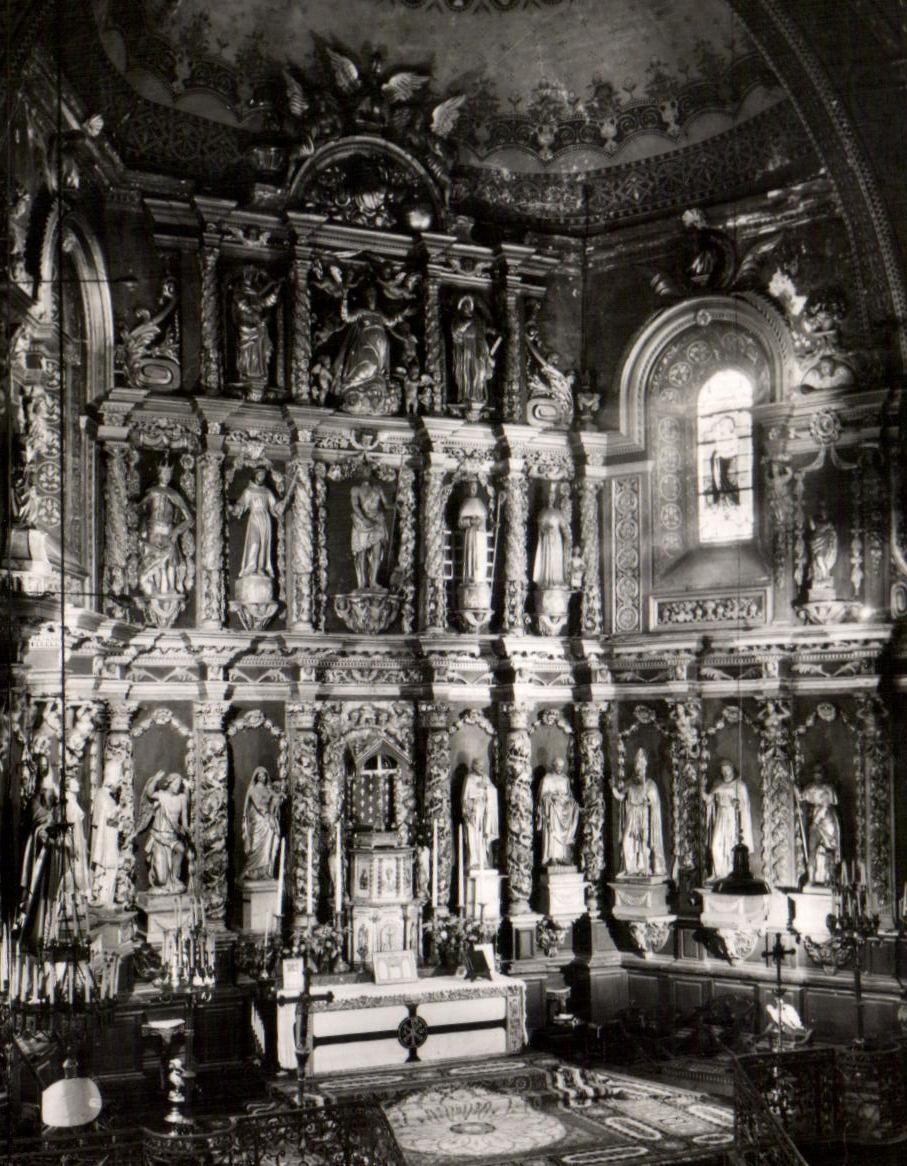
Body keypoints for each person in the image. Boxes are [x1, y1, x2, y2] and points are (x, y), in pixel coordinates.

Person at [332, 282, 411, 403]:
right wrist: (344, 298)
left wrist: (403, 312)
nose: (371, 297)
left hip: (381, 348)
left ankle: (371, 388)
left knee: (377, 370)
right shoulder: (361, 311)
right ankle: (350, 384)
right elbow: (346, 317)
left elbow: (390, 321)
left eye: (373, 294)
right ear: (365, 297)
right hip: (366, 344)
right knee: (369, 363)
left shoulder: (379, 313)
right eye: (369, 294)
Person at [138, 461, 193, 596]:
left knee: (171, 561)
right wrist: (142, 528)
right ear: (159, 473)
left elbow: (190, 519)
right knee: (154, 561)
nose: (167, 475)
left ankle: (170, 590)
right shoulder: (152, 492)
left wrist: (177, 531)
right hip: (152, 532)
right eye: (164, 472)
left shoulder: (174, 494)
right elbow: (138, 509)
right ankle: (152, 588)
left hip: (168, 533)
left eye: (169, 473)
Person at [611, 748, 666, 878]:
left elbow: (655, 805)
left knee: (642, 843)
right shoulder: (630, 783)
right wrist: (613, 787)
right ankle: (630, 869)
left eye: (640, 767)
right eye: (636, 767)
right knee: (626, 841)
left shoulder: (650, 785)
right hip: (631, 816)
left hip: (644, 817)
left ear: (645, 767)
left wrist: (648, 803)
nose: (638, 770)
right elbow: (620, 796)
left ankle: (643, 868)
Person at [232, 467, 290, 579]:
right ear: (255, 476)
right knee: (254, 543)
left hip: (265, 518)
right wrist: (235, 508)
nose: (261, 477)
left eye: (263, 475)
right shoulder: (249, 491)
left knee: (264, 544)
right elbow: (241, 504)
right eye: (259, 475)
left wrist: (281, 505)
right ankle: (251, 568)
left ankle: (261, 568)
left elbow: (275, 507)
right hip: (254, 517)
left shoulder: (267, 491)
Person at [139, 772, 191, 894]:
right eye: (175, 783)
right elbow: (149, 793)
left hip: (172, 837)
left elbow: (184, 820)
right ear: (169, 783)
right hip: (159, 838)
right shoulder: (161, 796)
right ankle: (161, 880)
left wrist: (187, 829)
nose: (177, 786)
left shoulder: (182, 798)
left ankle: (174, 878)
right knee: (162, 880)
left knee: (181, 849)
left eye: (179, 784)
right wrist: (155, 780)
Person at [703, 760, 754, 882]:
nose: (725, 773)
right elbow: (708, 800)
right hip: (721, 816)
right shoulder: (718, 785)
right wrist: (701, 787)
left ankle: (731, 873)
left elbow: (745, 805)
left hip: (732, 818)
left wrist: (737, 804)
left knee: (731, 845)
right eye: (723, 771)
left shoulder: (739, 785)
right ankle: (718, 873)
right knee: (715, 845)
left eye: (727, 770)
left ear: (732, 770)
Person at [232, 267, 281, 385]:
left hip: (258, 327)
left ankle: (259, 373)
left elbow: (266, 302)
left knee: (260, 350)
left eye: (252, 278)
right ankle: (246, 372)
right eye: (249, 277)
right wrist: (254, 314)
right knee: (247, 350)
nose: (251, 280)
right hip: (247, 326)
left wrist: (275, 292)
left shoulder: (256, 295)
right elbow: (242, 305)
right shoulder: (240, 293)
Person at [795, 766, 842, 886]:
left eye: (820, 773)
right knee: (812, 850)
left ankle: (831, 879)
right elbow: (800, 797)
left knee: (830, 850)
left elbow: (826, 806)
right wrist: (793, 784)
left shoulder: (828, 788)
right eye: (815, 773)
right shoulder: (810, 788)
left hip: (827, 821)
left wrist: (816, 821)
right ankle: (811, 879)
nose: (817, 776)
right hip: (815, 820)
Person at [451, 294, 496, 405]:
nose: (466, 307)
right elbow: (455, 332)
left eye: (468, 305)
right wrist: (465, 324)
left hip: (478, 348)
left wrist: (493, 331)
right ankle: (466, 395)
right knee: (466, 372)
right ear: (461, 307)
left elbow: (484, 330)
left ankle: (478, 394)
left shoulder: (477, 320)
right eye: (464, 305)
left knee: (480, 371)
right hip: (465, 348)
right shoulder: (458, 319)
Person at [350, 468, 391, 590]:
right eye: (363, 471)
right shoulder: (356, 490)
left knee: (377, 553)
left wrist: (396, 505)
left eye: (368, 471)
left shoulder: (377, 489)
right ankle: (362, 584)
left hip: (377, 521)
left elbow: (386, 505)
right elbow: (355, 506)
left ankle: (373, 582)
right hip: (363, 524)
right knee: (361, 553)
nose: (366, 473)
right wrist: (363, 519)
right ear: (360, 474)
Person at [241, 767, 283, 881]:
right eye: (260, 775)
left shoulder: (269, 789)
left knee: (269, 844)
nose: (262, 777)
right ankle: (252, 871)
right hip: (258, 822)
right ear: (256, 777)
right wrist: (266, 815)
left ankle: (266, 871)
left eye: (264, 775)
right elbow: (250, 807)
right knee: (256, 846)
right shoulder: (252, 789)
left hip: (268, 821)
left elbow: (277, 798)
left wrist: (279, 798)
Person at [536, 757, 580, 866]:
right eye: (557, 766)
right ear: (553, 766)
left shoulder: (565, 779)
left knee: (574, 807)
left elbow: (569, 796)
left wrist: (571, 802)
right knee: (553, 816)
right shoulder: (547, 779)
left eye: (561, 766)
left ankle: (562, 856)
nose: (559, 768)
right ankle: (553, 857)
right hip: (552, 809)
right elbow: (542, 798)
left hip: (564, 810)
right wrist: (553, 797)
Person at [461, 759, 499, 870]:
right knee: (473, 836)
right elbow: (465, 798)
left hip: (483, 813)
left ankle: (483, 860)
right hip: (472, 812)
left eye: (482, 766)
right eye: (479, 766)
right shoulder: (469, 779)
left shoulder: (486, 778)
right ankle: (473, 861)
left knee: (482, 837)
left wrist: (486, 788)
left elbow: (493, 791)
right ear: (474, 766)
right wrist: (470, 808)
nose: (481, 768)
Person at [90, 773, 120, 908]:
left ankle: (106, 899)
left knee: (108, 869)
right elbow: (107, 820)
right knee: (108, 868)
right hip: (107, 839)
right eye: (117, 784)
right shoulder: (107, 799)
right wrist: (118, 813)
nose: (118, 787)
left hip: (106, 838)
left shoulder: (102, 796)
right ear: (111, 783)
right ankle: (105, 900)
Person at [533, 482, 570, 589]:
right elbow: (540, 527)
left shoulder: (558, 513)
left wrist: (566, 537)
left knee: (556, 559)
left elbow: (563, 527)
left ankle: (557, 580)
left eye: (552, 497)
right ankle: (547, 579)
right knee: (547, 559)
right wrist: (545, 530)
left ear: (554, 499)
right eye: (549, 497)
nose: (550, 499)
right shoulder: (543, 512)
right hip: (546, 540)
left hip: (557, 540)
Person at [458, 479, 489, 585]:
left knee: (480, 557)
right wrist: (470, 521)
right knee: (470, 556)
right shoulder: (465, 503)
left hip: (480, 535)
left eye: (474, 488)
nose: (473, 490)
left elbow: (484, 520)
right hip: (470, 535)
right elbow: (460, 523)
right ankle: (469, 576)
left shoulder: (480, 503)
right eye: (471, 488)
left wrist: (480, 522)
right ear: (467, 490)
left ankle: (479, 578)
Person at [807, 500, 838, 588]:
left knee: (819, 559)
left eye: (824, 510)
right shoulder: (816, 520)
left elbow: (833, 533)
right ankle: (820, 577)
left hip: (825, 544)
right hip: (816, 543)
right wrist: (810, 520)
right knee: (816, 560)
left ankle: (825, 576)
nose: (823, 512)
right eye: (821, 510)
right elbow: (812, 528)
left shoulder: (829, 523)